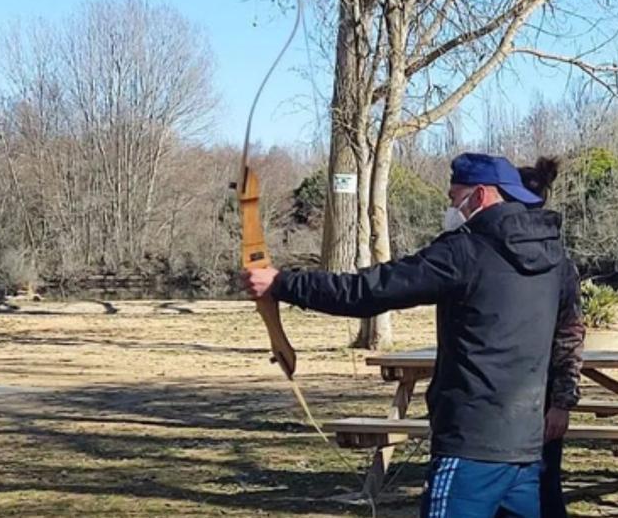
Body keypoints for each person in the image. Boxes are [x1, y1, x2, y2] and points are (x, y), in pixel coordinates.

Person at [243, 152, 575, 518]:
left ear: (479, 196)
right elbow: (568, 330)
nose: (452, 207)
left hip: (471, 444)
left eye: (454, 198)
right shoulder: (555, 256)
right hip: (527, 448)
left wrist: (284, 283)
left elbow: (371, 290)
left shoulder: (464, 251)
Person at [504, 157, 585, 518]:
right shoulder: (487, 254)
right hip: (495, 402)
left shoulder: (560, 265)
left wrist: (562, 402)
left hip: (541, 398)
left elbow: (570, 333)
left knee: (544, 490)